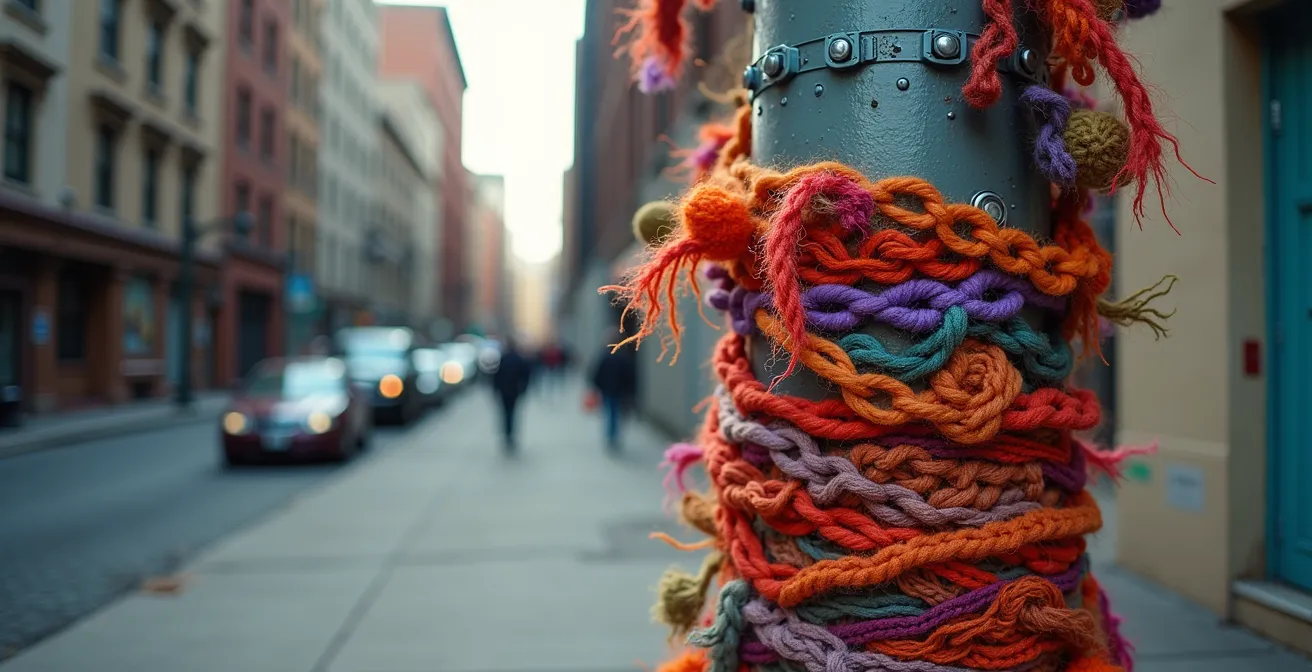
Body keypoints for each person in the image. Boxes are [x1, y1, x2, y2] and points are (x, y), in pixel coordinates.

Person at [589, 331, 638, 453]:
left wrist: (597, 387)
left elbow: (596, 373)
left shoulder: (605, 356)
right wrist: (630, 391)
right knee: (615, 413)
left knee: (610, 413)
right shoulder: (624, 357)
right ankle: (613, 436)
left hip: (608, 390)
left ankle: (611, 436)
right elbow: (630, 376)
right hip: (619, 391)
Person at [491, 337, 533, 452]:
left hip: (504, 391)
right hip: (514, 391)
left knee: (506, 414)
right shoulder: (519, 359)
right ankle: (511, 435)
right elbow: (526, 376)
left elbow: (496, 376)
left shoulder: (503, 359)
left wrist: (496, 389)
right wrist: (523, 388)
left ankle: (507, 435)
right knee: (512, 413)